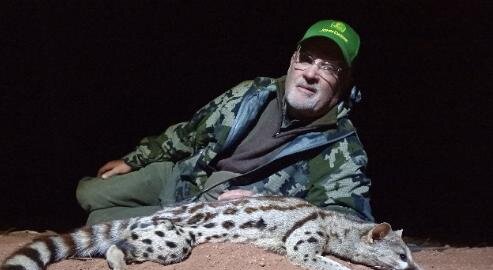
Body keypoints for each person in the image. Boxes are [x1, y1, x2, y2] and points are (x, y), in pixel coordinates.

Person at [76, 19, 373, 225]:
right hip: (184, 175)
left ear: (343, 82)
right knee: (87, 193)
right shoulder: (253, 92)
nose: (311, 73)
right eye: (307, 58)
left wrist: (271, 208)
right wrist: (135, 160)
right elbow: (190, 131)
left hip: (207, 212)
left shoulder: (341, 145)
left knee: (97, 220)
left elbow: (348, 218)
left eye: (329, 67)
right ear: (293, 59)